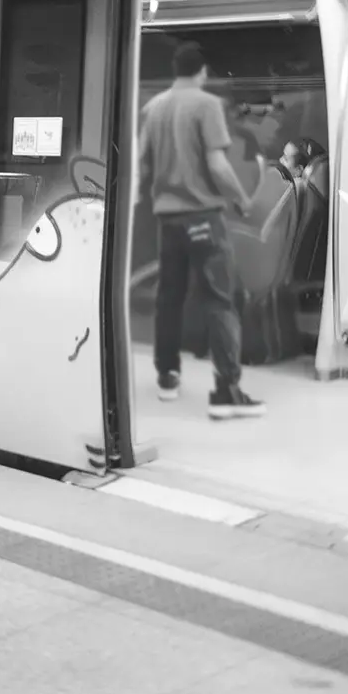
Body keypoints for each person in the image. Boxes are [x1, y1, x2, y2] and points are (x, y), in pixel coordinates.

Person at [138, 42, 266, 419]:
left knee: (169, 298)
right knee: (219, 300)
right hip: (202, 218)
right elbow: (219, 165)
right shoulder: (206, 105)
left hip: (168, 220)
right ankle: (227, 392)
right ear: (202, 71)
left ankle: (167, 378)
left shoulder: (154, 107)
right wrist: (242, 198)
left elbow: (142, 165)